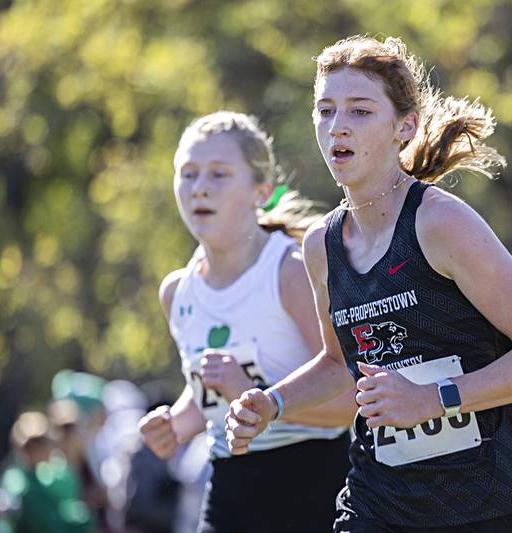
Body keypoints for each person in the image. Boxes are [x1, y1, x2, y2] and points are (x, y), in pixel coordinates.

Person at [226, 35, 512, 532]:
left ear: (405, 126)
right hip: (378, 505)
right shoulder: (320, 247)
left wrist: (433, 400)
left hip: (484, 505)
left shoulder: (440, 224)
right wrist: (273, 402)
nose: (338, 127)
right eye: (325, 111)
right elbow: (339, 362)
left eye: (360, 111)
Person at [138, 111, 356, 532]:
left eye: (219, 174)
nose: (200, 187)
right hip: (228, 492)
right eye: (188, 173)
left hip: (314, 490)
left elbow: (348, 403)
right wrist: (175, 424)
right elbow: (208, 397)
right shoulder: (177, 292)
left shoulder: (289, 272)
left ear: (261, 190)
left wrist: (259, 399)